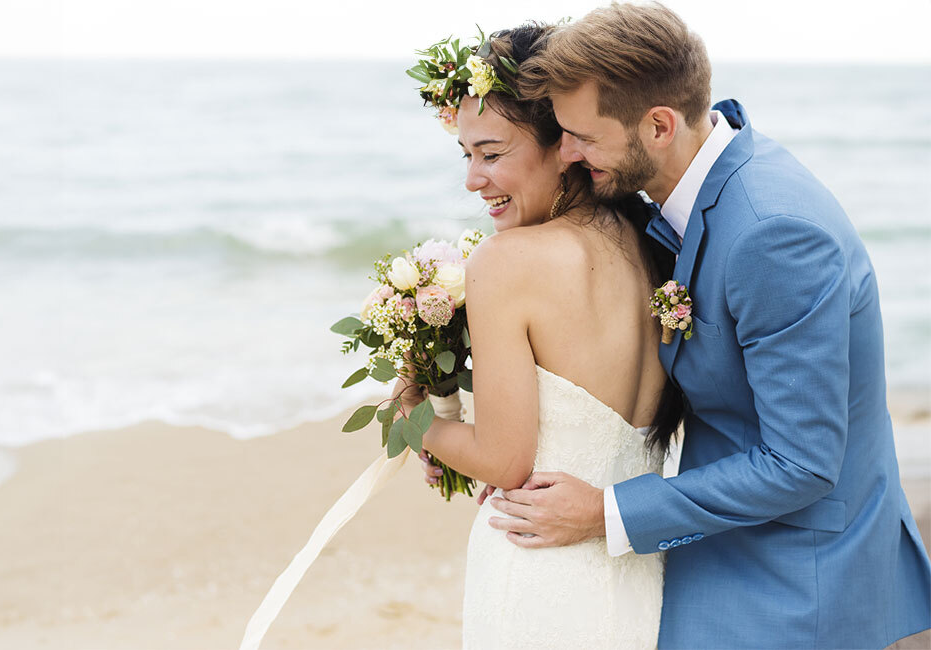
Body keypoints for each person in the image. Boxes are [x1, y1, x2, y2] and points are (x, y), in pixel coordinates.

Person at [485, 4, 931, 649]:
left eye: (582, 136)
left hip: (794, 577)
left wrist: (604, 511)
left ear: (659, 125)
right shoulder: (691, 190)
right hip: (727, 536)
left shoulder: (774, 234)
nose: (570, 156)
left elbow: (801, 463)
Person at [393, 23, 683, 648]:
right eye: (466, 155)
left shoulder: (507, 262)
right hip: (635, 574)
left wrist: (412, 418)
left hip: (538, 575)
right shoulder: (651, 246)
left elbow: (503, 461)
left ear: (565, 146)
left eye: (492, 154)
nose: (474, 179)